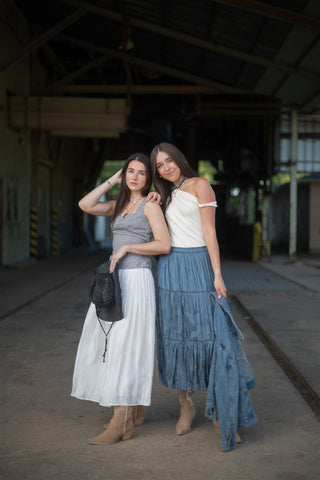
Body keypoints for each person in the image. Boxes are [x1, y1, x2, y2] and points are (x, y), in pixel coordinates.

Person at [150, 142, 258, 452]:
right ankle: (186, 405)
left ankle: (220, 413)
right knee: (176, 336)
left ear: (180, 159)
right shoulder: (165, 194)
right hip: (170, 270)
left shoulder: (200, 185)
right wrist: (156, 199)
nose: (166, 167)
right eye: (160, 165)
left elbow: (210, 232)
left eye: (170, 160)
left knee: (211, 339)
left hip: (198, 265)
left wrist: (218, 273)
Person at [71, 153, 171, 445]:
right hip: (114, 281)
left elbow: (164, 245)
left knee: (126, 347)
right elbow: (85, 205)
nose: (135, 177)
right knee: (110, 343)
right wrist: (111, 180)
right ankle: (133, 411)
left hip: (137, 281)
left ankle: (121, 420)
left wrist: (128, 246)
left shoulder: (150, 207)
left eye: (141, 173)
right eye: (130, 171)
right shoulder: (119, 206)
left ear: (149, 179)